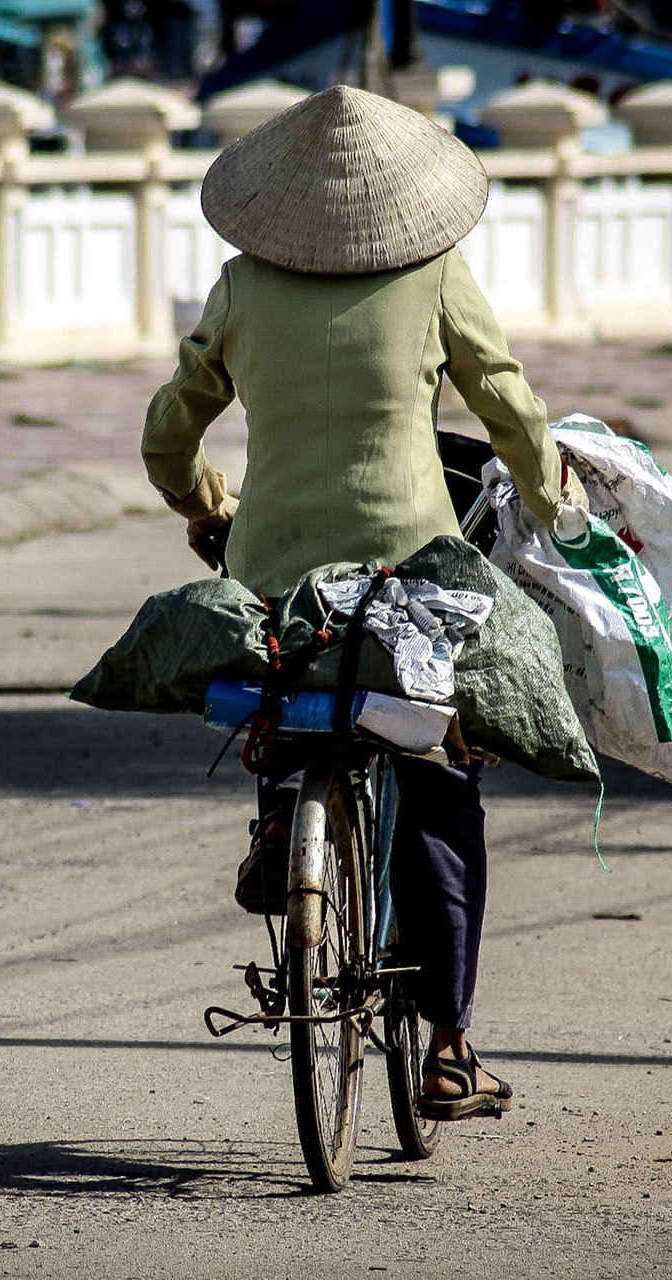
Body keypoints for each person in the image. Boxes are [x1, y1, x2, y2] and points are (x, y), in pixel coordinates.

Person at [139, 85, 576, 1120]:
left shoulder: (244, 284)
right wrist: (555, 501)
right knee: (440, 767)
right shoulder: (433, 274)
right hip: (410, 573)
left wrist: (206, 506)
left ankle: (285, 813)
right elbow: (507, 401)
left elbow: (170, 430)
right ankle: (452, 1046)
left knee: (288, 687)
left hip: (275, 568)